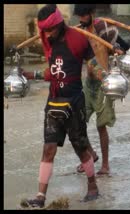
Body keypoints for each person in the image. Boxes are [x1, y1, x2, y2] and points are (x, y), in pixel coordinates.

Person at [25, 4, 99, 208]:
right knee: (48, 148)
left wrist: (100, 73)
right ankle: (40, 196)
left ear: (59, 24)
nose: (47, 34)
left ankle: (92, 186)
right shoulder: (48, 41)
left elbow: (93, 63)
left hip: (74, 101)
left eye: (50, 30)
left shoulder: (78, 39)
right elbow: (55, 72)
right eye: (44, 30)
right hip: (54, 100)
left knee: (81, 148)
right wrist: (33, 75)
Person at [73, 4, 129, 176]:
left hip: (104, 83)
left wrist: (117, 50)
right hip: (88, 83)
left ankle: (105, 165)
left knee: (101, 126)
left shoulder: (103, 28)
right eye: (79, 17)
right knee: (77, 123)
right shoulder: (80, 32)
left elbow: (123, 46)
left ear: (91, 14)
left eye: (84, 16)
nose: (81, 20)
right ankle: (90, 156)